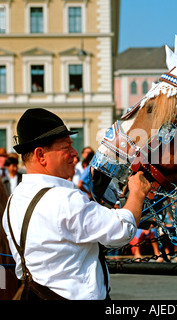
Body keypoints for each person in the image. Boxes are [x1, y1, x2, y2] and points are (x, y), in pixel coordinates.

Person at [2, 108, 151, 300]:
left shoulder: (15, 199)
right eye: (66, 147)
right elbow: (122, 230)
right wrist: (137, 193)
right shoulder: (64, 199)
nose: (75, 154)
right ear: (41, 156)